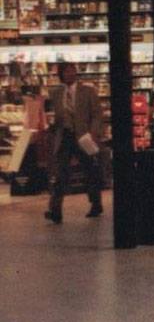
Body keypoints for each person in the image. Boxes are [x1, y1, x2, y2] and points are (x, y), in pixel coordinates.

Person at [45, 63, 103, 224]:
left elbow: (97, 114)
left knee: (90, 170)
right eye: (67, 72)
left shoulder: (88, 91)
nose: (70, 74)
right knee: (60, 173)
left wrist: (93, 132)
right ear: (61, 75)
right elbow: (56, 116)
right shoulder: (56, 93)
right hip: (64, 136)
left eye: (72, 71)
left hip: (83, 137)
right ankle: (55, 209)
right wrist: (51, 126)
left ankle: (96, 203)